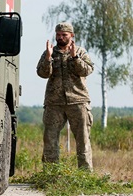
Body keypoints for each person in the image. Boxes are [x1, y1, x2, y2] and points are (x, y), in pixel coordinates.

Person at [36, 22, 94, 171]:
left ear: (71, 36)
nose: (60, 37)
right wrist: (48, 58)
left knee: (83, 140)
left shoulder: (80, 51)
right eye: (58, 35)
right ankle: (51, 174)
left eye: (64, 35)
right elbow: (42, 73)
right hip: (54, 103)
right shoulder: (50, 52)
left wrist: (75, 57)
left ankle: (85, 175)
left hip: (78, 101)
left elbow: (87, 70)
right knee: (50, 139)